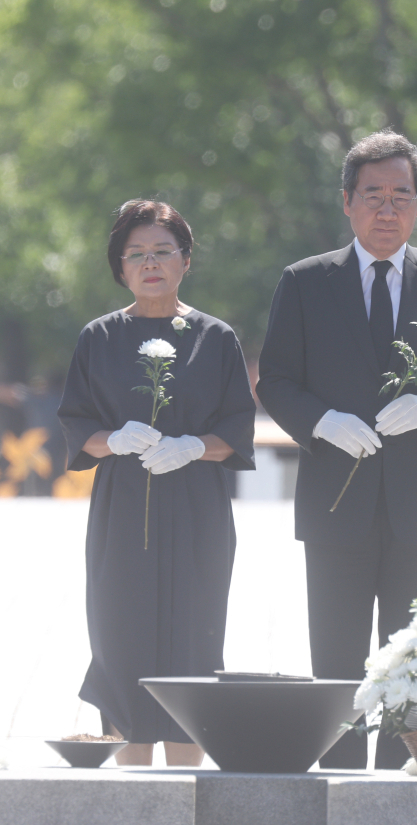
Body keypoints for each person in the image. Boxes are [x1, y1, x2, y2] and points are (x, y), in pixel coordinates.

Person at [256, 130, 417, 769]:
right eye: (373, 196)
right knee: (334, 658)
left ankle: (396, 786)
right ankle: (335, 781)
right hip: (335, 499)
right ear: (346, 202)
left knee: (413, 657)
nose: (386, 210)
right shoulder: (306, 282)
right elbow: (275, 379)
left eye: (401, 196)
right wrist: (322, 421)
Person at [58, 200, 255, 766]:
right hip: (122, 511)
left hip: (198, 511)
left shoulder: (214, 338)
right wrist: (113, 439)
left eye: (163, 252)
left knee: (193, 643)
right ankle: (135, 796)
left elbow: (236, 428)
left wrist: (194, 446)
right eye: (136, 254)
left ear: (186, 261)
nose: (150, 263)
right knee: (121, 642)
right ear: (120, 267)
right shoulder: (98, 337)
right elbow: (77, 425)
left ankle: (184, 794)